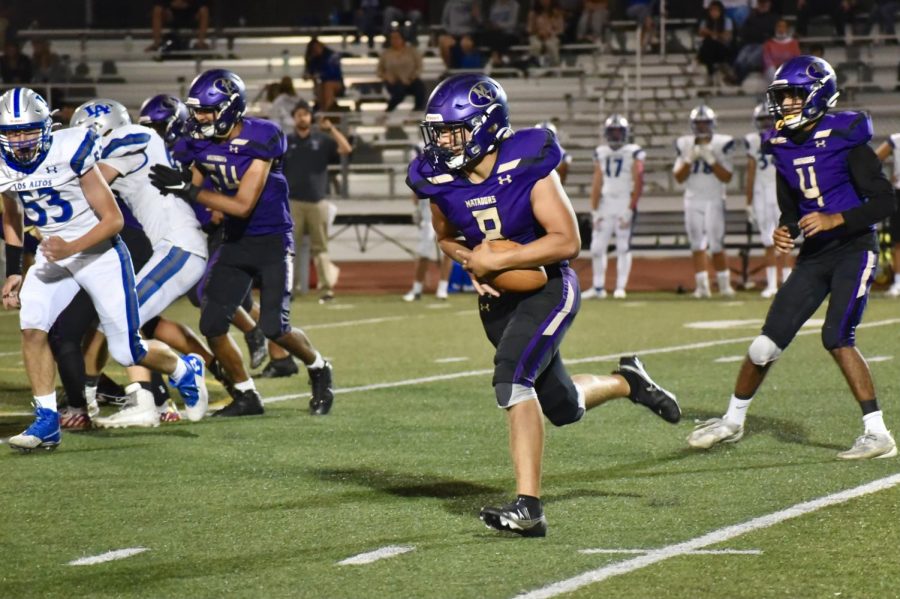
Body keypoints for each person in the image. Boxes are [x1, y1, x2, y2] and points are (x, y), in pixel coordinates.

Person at [406, 74, 680, 537]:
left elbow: (567, 241)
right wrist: (473, 262)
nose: (444, 142)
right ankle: (627, 382)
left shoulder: (528, 160)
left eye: (454, 131)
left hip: (547, 288)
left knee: (512, 378)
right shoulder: (438, 178)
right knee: (564, 405)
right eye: (440, 132)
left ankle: (528, 508)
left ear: (486, 125)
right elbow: (446, 238)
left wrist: (504, 256)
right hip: (499, 300)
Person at [687, 56, 898, 460]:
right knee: (764, 346)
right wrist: (787, 226)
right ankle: (733, 421)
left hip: (854, 249)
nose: (785, 105)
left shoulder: (846, 136)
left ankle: (878, 433)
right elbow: (791, 198)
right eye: (782, 97)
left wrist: (837, 217)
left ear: (817, 95)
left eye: (794, 96)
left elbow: (885, 200)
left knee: (836, 336)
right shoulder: (781, 143)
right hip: (815, 255)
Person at [0, 87, 207, 452]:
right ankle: (47, 421)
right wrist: (14, 270)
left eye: (28, 130)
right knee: (33, 328)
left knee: (128, 351)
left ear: (46, 128)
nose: (19, 140)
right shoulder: (4, 163)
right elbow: (12, 213)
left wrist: (71, 246)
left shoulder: (71, 149)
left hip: (99, 252)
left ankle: (183, 369)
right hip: (54, 255)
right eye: (12, 132)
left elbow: (112, 220)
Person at [149, 69, 335, 417]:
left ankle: (318, 366)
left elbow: (242, 204)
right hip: (235, 241)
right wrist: (183, 180)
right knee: (212, 323)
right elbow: (199, 175)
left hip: (271, 240)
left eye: (208, 110)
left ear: (231, 108)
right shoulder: (196, 140)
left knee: (274, 327)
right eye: (197, 110)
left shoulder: (261, 137)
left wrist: (189, 189)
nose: (200, 117)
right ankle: (246, 394)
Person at [64, 99, 213, 428]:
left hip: (181, 247)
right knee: (110, 323)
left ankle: (158, 390)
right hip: (170, 248)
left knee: (121, 324)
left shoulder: (134, 135)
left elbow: (90, 184)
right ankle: (107, 398)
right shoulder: (119, 155)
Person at [283, 99, 351, 303]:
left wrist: (332, 129)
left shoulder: (322, 140)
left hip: (317, 201)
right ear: (294, 118)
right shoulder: (286, 141)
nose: (302, 117)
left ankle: (327, 289)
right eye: (299, 114)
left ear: (310, 117)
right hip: (292, 201)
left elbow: (346, 149)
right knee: (289, 248)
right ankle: (289, 289)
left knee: (320, 247)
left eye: (305, 114)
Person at [673, 105, 737, 298]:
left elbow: (726, 177)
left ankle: (724, 285)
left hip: (714, 198)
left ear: (712, 124)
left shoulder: (722, 143)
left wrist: (711, 160)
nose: (701, 127)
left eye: (705, 123)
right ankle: (702, 287)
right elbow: (679, 177)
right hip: (693, 199)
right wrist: (688, 160)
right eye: (698, 124)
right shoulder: (685, 144)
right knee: (696, 244)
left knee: (716, 244)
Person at [584, 114, 643, 300]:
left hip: (624, 201)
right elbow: (597, 182)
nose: (616, 136)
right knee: (596, 247)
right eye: (613, 132)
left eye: (619, 132)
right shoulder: (601, 152)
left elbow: (638, 181)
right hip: (606, 203)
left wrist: (630, 208)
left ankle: (620, 287)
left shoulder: (634, 151)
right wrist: (594, 211)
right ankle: (598, 287)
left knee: (623, 246)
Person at [745, 103, 791, 298]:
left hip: (780, 191)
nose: (765, 123)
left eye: (767, 119)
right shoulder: (753, 141)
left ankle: (788, 282)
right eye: (761, 119)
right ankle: (772, 283)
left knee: (786, 237)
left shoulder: (786, 137)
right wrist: (748, 202)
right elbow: (751, 172)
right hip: (761, 193)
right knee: (768, 239)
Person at [402, 191, 452, 302]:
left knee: (448, 253)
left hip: (445, 219)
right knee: (423, 254)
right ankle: (417, 289)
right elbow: (415, 197)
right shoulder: (422, 176)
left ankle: (442, 289)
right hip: (428, 220)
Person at [874, 130, 900, 297]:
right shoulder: (896, 139)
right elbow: (873, 160)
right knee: (898, 241)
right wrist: (885, 182)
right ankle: (898, 283)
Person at [377, 29, 426, 112]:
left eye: (397, 38)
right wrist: (386, 77)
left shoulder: (412, 51)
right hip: (393, 81)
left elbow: (419, 67)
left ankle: (417, 111)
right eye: (392, 38)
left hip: (410, 80)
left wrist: (412, 77)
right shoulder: (386, 54)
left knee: (420, 88)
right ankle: (388, 111)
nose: (394, 40)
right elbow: (379, 70)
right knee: (399, 92)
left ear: (402, 39)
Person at [146, 0, 210, 53]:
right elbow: (159, 2)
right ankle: (156, 44)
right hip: (171, 13)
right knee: (157, 10)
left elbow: (203, 3)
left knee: (204, 10)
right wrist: (167, 5)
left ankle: (200, 43)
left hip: (191, 12)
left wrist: (187, 3)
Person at [697, 1, 735, 85]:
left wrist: (711, 33)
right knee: (708, 45)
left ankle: (709, 73)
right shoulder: (705, 21)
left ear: (721, 11)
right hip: (709, 50)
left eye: (716, 10)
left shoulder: (727, 21)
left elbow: (727, 37)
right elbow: (700, 33)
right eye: (712, 10)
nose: (714, 13)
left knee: (710, 43)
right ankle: (712, 73)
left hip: (722, 49)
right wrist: (715, 36)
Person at [303, 39, 345, 113]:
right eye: (314, 49)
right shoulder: (313, 59)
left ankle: (327, 112)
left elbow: (332, 74)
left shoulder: (331, 55)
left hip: (336, 84)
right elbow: (308, 74)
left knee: (327, 85)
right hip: (321, 85)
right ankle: (321, 109)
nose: (316, 50)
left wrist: (320, 75)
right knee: (320, 84)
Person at [437, 0, 481, 68]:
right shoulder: (450, 3)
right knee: (443, 42)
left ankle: (467, 70)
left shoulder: (474, 3)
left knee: (465, 44)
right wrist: (449, 32)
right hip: (452, 34)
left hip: (469, 34)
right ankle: (449, 69)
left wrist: (475, 16)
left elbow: (479, 23)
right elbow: (444, 22)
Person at [527, 0, 564, 67]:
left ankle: (555, 67)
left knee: (551, 45)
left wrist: (550, 33)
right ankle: (534, 67)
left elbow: (560, 30)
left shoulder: (557, 13)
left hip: (552, 37)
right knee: (536, 45)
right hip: (536, 36)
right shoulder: (533, 13)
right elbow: (529, 29)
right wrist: (538, 32)